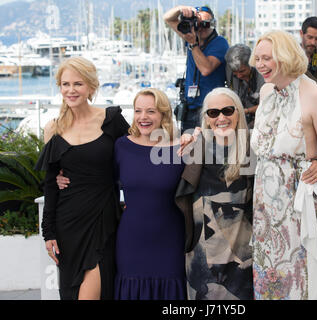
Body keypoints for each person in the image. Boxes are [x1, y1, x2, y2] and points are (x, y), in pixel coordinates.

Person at [250, 31, 317, 300]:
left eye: (267, 58)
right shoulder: (266, 92)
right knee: (270, 284)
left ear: (285, 57)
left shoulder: (316, 94)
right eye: (258, 58)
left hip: (299, 209)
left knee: (303, 281)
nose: (260, 64)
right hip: (264, 210)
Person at [35, 57, 130, 300]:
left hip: (102, 219)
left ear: (90, 87)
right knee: (71, 293)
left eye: (77, 83)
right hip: (68, 226)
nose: (70, 90)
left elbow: (135, 156)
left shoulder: (110, 120)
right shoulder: (53, 129)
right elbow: (50, 185)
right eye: (65, 84)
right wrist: (49, 234)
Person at [175, 87, 254, 300]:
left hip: (243, 256)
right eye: (213, 113)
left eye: (228, 110)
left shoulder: (254, 147)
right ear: (206, 118)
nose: (221, 117)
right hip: (201, 253)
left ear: (238, 112)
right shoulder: (195, 146)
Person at [114, 88, 186, 300]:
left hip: (170, 240)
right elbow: (101, 182)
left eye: (151, 111)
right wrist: (62, 176)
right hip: (131, 240)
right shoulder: (121, 146)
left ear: (163, 114)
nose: (143, 117)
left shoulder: (180, 149)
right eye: (138, 111)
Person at [164, 5, 229, 132]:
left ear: (213, 24)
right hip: (190, 108)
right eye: (198, 24)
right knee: (189, 150)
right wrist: (181, 9)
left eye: (206, 24)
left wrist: (193, 44)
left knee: (211, 150)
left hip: (211, 110)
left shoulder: (220, 42)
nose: (202, 28)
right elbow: (168, 18)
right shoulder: (191, 36)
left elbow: (206, 69)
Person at [225, 44, 265, 127]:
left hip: (261, 120)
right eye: (235, 72)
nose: (239, 76)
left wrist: (246, 111)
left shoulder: (262, 74)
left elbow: (267, 105)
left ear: (251, 64)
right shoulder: (228, 70)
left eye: (242, 71)